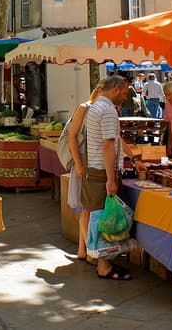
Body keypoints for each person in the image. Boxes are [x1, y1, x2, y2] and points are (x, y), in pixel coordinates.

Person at [81, 74, 134, 280]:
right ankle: (104, 266)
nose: (126, 96)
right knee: (104, 218)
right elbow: (108, 145)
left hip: (93, 169)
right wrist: (111, 179)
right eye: (124, 92)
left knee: (99, 216)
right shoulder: (108, 111)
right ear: (115, 90)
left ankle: (101, 261)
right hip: (101, 171)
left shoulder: (95, 107)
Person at [69, 81, 104, 259]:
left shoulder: (104, 110)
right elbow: (71, 138)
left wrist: (133, 157)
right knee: (86, 208)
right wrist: (79, 165)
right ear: (99, 92)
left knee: (88, 208)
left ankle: (83, 250)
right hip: (84, 163)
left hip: (94, 164)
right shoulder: (84, 108)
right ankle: (87, 250)